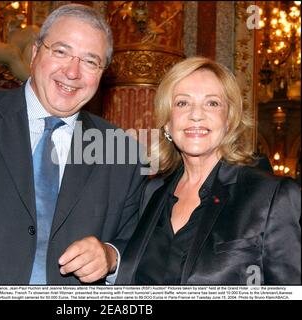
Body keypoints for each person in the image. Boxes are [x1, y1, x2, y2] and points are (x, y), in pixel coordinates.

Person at [0, 4, 146, 285]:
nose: (72, 71)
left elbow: (137, 247)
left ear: (102, 74)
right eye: (61, 51)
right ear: (35, 53)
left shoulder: (122, 151)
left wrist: (110, 256)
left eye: (90, 61)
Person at [116, 57, 301, 285]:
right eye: (182, 103)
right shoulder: (151, 194)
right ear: (167, 122)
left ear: (229, 120)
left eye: (212, 103)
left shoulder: (273, 195)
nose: (196, 115)